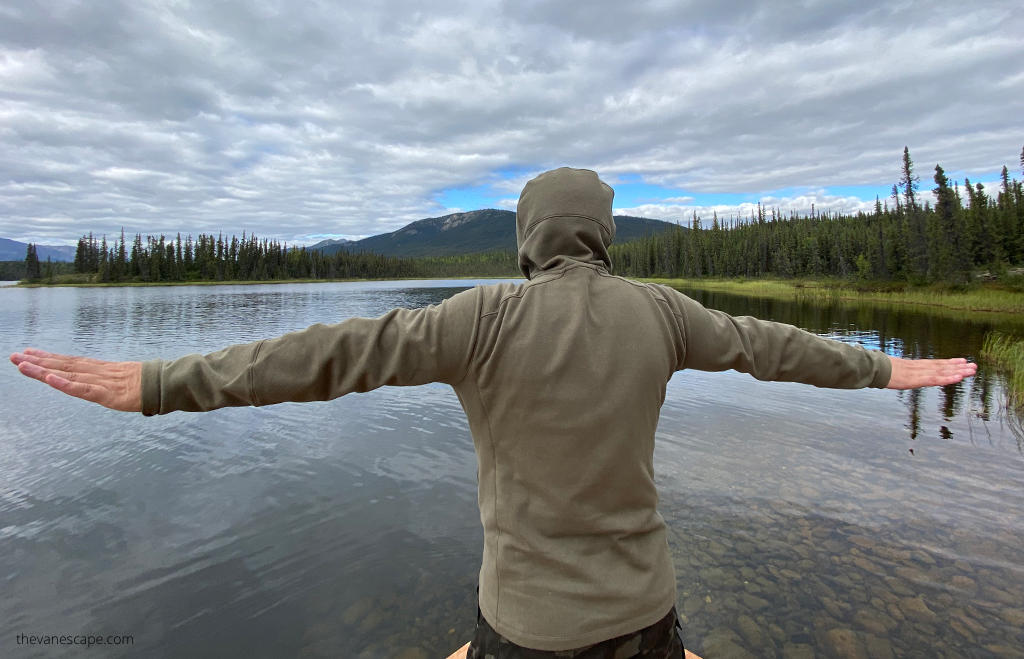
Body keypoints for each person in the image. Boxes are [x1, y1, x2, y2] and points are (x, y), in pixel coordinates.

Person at [10, 168, 976, 659]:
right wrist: (889, 374)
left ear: (528, 238)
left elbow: (328, 356)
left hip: (526, 623)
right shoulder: (665, 313)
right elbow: (778, 349)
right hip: (646, 614)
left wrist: (157, 384)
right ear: (601, 233)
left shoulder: (477, 318)